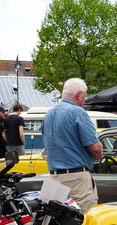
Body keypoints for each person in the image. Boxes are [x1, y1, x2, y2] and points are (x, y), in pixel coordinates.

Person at [42, 78, 102, 212]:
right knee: (84, 221)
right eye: (85, 95)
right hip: (76, 179)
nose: (85, 99)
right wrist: (99, 152)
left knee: (54, 223)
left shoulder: (49, 114)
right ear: (79, 94)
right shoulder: (78, 112)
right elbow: (95, 149)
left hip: (53, 177)